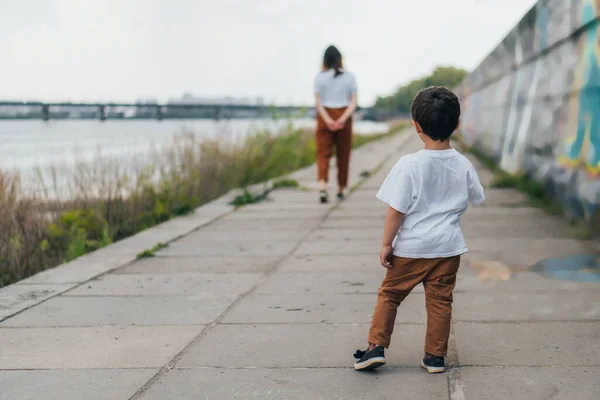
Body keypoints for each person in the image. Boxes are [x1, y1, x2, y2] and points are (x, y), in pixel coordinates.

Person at [353, 86, 485, 373]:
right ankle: (435, 357)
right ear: (457, 124)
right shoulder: (462, 164)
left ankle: (375, 347)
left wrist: (387, 244)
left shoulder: (409, 165)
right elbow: (477, 197)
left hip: (411, 248)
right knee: (440, 302)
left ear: (416, 126)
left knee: (390, 295)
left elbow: (396, 210)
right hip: (448, 248)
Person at [314, 45, 357, 203]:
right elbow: (353, 103)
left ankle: (323, 187)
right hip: (344, 115)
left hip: (324, 116)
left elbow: (318, 103)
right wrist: (342, 119)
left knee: (323, 153)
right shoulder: (350, 77)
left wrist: (328, 120)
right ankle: (340, 188)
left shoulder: (319, 77)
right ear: (340, 59)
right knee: (343, 154)